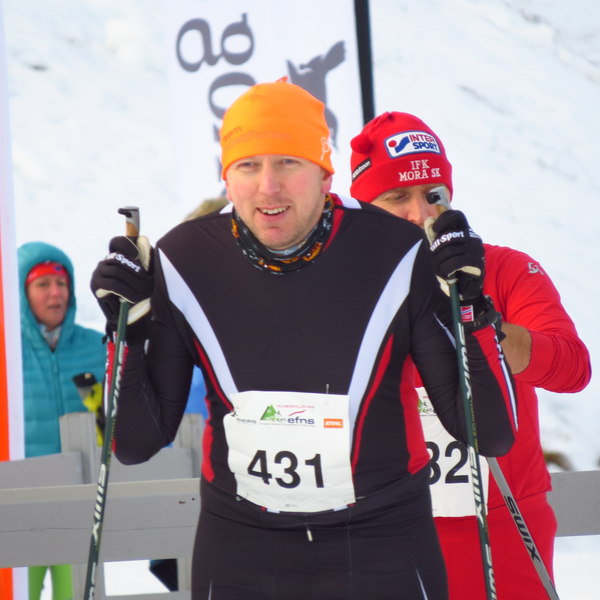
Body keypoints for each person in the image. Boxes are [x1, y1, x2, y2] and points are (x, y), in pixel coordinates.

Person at [90, 80, 516, 600]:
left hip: (381, 540)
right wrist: (127, 330)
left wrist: (470, 309)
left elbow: (490, 434)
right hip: (242, 545)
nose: (268, 186)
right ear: (227, 178)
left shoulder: (398, 252)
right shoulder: (184, 261)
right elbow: (134, 443)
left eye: (288, 163)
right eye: (249, 165)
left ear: (325, 173)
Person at [349, 111, 592, 599]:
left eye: (433, 195)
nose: (421, 213)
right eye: (397, 197)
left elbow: (572, 369)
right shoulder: (343, 285)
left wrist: (483, 318)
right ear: (365, 207)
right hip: (385, 526)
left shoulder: (503, 269)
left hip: (505, 522)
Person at [18, 241, 106, 600]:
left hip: (80, 503)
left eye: (62, 283)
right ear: (20, 292)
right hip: (17, 507)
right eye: (43, 284)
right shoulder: (7, 350)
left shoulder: (97, 347)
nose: (56, 293)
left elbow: (111, 421)